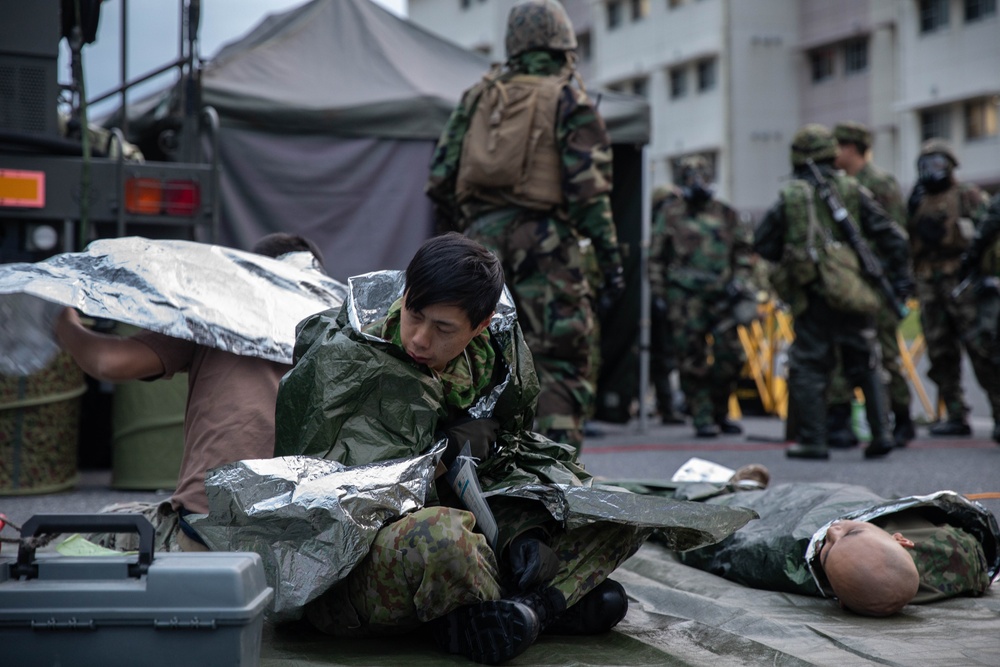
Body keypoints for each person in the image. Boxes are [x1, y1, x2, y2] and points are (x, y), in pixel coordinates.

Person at [275, 233, 658, 665]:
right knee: (442, 536)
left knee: (620, 509)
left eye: (443, 329)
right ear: (404, 296)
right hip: (358, 561)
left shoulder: (490, 363)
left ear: (480, 325)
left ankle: (529, 609)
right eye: (413, 314)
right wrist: (436, 460)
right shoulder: (345, 357)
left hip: (477, 537)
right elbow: (327, 496)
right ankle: (552, 603)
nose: (419, 339)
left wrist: (521, 534)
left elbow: (509, 465)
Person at [425, 0, 624, 454]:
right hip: (547, 246)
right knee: (557, 361)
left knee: (477, 356)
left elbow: (439, 178)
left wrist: (463, 238)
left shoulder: (478, 96)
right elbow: (589, 193)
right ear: (564, 43)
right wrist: (611, 263)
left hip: (478, 244)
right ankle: (553, 481)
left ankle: (477, 473)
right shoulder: (568, 95)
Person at [54, 233, 325, 552]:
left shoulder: (215, 311)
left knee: (82, 536)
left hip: (211, 524)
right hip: (308, 531)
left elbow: (109, 362)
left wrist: (62, 322)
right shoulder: (335, 327)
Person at [755, 124, 912, 460]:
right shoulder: (853, 189)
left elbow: (764, 244)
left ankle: (813, 440)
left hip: (812, 296)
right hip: (854, 289)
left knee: (809, 364)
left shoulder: (791, 195)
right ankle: (881, 434)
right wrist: (896, 279)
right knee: (866, 360)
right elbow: (894, 237)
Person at [672, 481, 999, 617]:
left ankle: (729, 491)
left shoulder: (858, 583)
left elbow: (735, 552)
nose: (832, 529)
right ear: (900, 538)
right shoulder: (956, 550)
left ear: (839, 600)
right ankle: (739, 489)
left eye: (825, 551)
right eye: (851, 531)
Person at [649, 156, 755, 438]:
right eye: (691, 176)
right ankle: (702, 416)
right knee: (691, 358)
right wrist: (660, 294)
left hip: (722, 297)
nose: (697, 182)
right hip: (684, 298)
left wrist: (741, 281)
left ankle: (720, 411)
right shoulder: (670, 214)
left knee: (731, 355)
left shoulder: (726, 213)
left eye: (702, 175)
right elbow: (656, 257)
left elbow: (744, 252)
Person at [828, 121, 914, 448]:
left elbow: (897, 237)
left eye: (838, 147)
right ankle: (846, 422)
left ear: (851, 148)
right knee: (845, 352)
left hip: (879, 283)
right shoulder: (839, 184)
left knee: (886, 354)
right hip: (851, 284)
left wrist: (900, 281)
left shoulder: (879, 183)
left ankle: (901, 418)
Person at [906, 138, 997, 439]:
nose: (932, 171)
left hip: (963, 281)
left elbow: (988, 232)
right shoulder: (918, 201)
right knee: (941, 352)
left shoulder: (967, 195)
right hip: (930, 284)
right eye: (926, 165)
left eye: (938, 164)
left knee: (982, 349)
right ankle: (955, 413)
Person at [648, 184, 687, 425]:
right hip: (659, 298)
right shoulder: (654, 228)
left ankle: (674, 405)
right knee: (661, 356)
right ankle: (666, 406)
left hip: (677, 298)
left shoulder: (678, 226)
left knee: (678, 354)